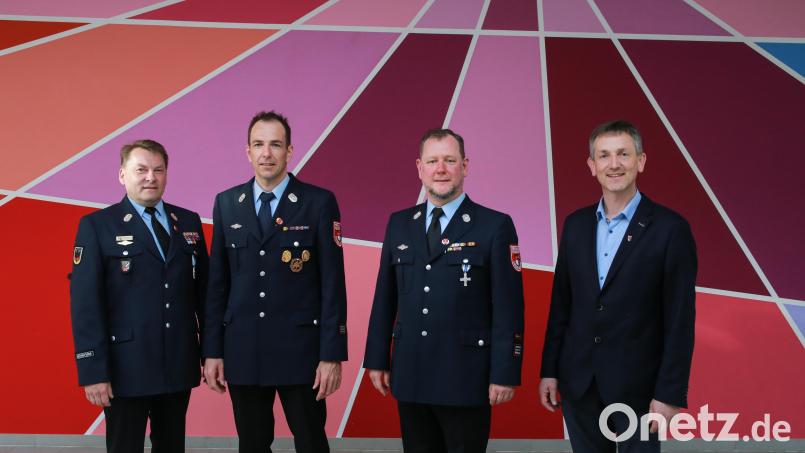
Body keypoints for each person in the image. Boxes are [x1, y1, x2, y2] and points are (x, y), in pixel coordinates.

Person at [539, 120, 697, 452]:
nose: (614, 164)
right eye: (605, 155)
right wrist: (549, 371)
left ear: (640, 161)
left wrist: (670, 393)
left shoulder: (671, 229)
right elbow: (562, 306)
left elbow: (680, 319)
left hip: (639, 388)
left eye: (624, 154)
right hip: (579, 382)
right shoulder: (576, 225)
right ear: (591, 165)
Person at [363, 128, 525, 453]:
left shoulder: (494, 226)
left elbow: (509, 307)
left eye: (449, 160)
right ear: (420, 168)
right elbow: (385, 297)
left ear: (465, 166)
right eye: (433, 161)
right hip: (411, 373)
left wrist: (505, 371)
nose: (441, 169)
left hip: (466, 377)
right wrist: (377, 359)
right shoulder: (399, 224)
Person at [202, 111, 347, 453]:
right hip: (243, 349)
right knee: (252, 443)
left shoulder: (318, 202)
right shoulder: (227, 203)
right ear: (248, 152)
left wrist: (331, 354)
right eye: (259, 144)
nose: (267, 153)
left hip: (302, 352)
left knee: (311, 441)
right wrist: (212, 351)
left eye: (275, 145)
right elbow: (217, 285)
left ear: (290, 151)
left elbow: (332, 283)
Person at [70, 139, 209, 453]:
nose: (151, 177)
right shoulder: (97, 226)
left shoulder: (188, 222)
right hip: (125, 368)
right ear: (122, 175)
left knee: (171, 447)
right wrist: (93, 371)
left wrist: (210, 353)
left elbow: (205, 294)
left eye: (158, 170)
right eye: (141, 170)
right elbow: (85, 304)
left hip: (177, 363)